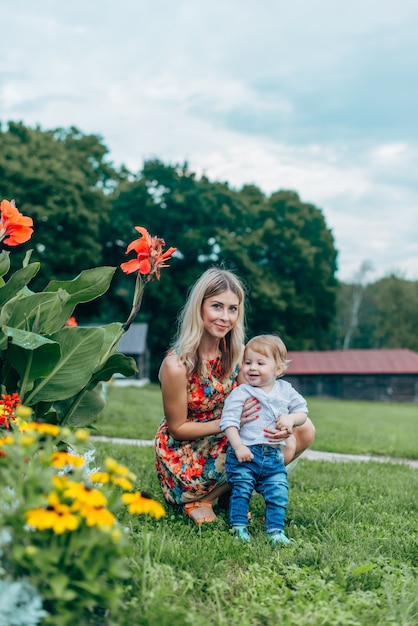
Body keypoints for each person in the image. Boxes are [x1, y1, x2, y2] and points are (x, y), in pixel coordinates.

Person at [154, 268, 315, 524]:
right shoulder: (177, 365)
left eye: (233, 309)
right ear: (200, 308)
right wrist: (228, 423)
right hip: (187, 453)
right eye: (217, 306)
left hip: (228, 434)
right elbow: (177, 429)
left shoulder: (239, 353)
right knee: (256, 443)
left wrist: (283, 423)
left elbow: (256, 401)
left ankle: (233, 493)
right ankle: (203, 500)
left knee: (302, 430)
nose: (225, 317)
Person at [220, 334, 308, 543]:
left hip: (272, 456)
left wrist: (290, 418)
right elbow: (228, 422)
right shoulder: (241, 392)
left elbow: (302, 412)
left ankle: (276, 532)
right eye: (248, 362)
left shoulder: (285, 390)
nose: (252, 368)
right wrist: (239, 446)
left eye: (260, 363)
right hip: (246, 454)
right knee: (242, 490)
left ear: (278, 369)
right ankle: (239, 527)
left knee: (278, 492)